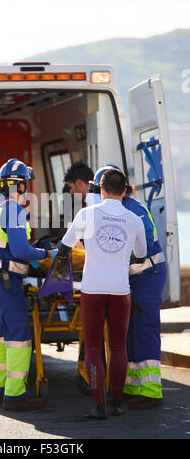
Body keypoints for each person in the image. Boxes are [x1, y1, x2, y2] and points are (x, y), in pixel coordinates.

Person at [54, 168, 147, 419]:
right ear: (125, 191)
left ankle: (99, 406)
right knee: (118, 347)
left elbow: (64, 248)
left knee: (93, 348)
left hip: (92, 290)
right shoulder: (134, 219)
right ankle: (117, 402)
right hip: (120, 289)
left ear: (101, 189)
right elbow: (140, 255)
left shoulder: (86, 214)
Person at [0, 158, 51, 411]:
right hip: (1, 281)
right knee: (18, 335)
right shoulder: (14, 210)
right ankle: (15, 396)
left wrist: (33, 257)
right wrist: (48, 254)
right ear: (23, 185)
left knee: (0, 335)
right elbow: (19, 249)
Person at [91, 165, 168, 408]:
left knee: (144, 330)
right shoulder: (116, 209)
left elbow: (140, 250)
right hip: (133, 277)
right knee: (130, 331)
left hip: (147, 274)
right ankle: (133, 386)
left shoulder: (133, 210)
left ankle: (151, 391)